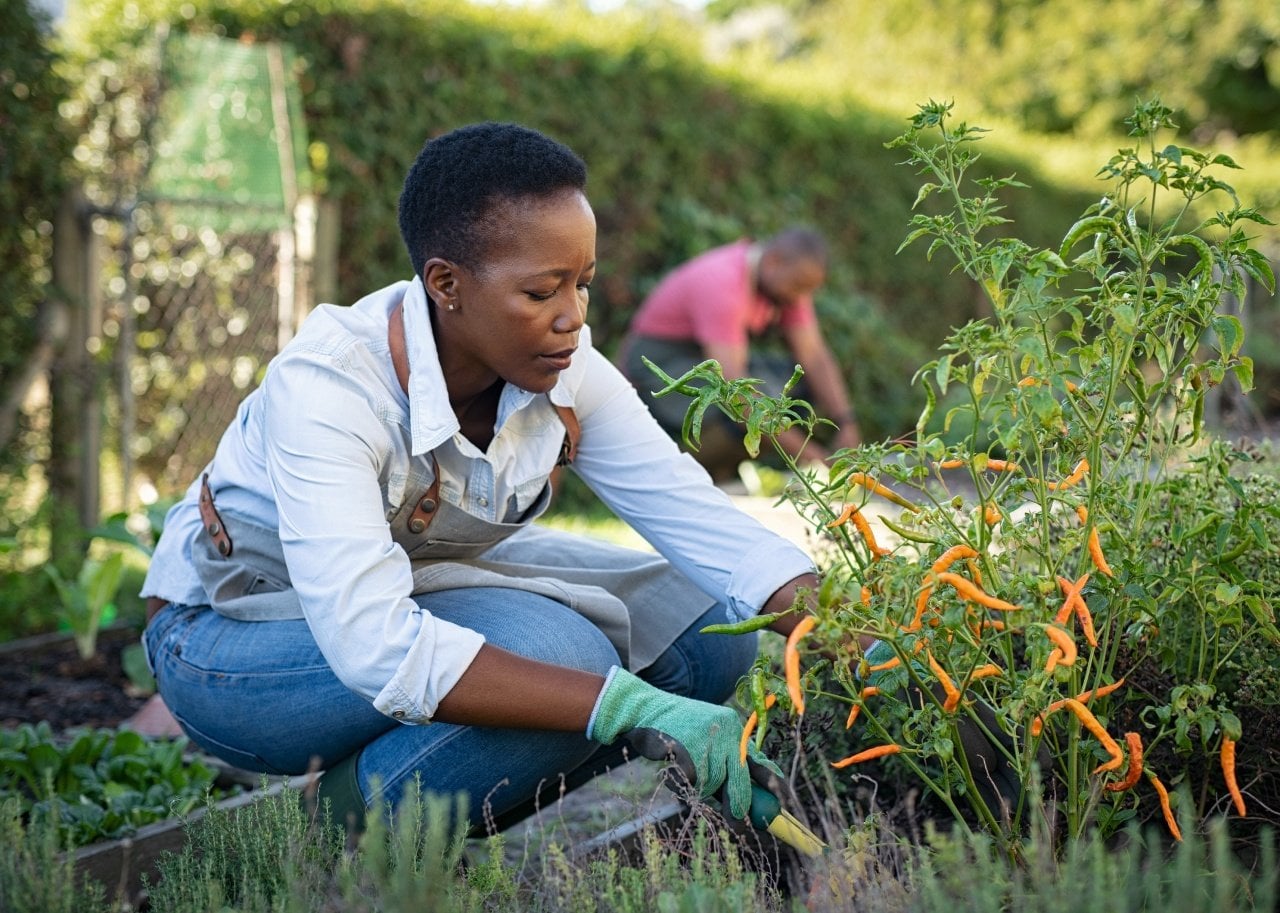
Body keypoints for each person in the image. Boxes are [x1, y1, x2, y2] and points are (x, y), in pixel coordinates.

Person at [139, 123, 822, 834]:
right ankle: (323, 831)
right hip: (229, 640)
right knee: (560, 658)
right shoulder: (334, 388)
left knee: (709, 627)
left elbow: (700, 523)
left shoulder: (562, 365)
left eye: (582, 284)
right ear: (446, 284)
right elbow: (374, 641)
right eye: (541, 291)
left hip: (420, 583)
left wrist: (868, 640)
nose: (573, 317)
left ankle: (398, 782)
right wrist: (628, 707)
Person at [621, 230, 861, 481]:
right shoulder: (724, 283)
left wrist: (846, 422)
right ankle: (672, 472)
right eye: (799, 286)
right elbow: (735, 392)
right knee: (740, 407)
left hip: (702, 360)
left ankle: (722, 468)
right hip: (656, 367)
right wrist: (810, 456)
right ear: (774, 261)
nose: (801, 297)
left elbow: (814, 357)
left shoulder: (784, 286)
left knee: (798, 387)